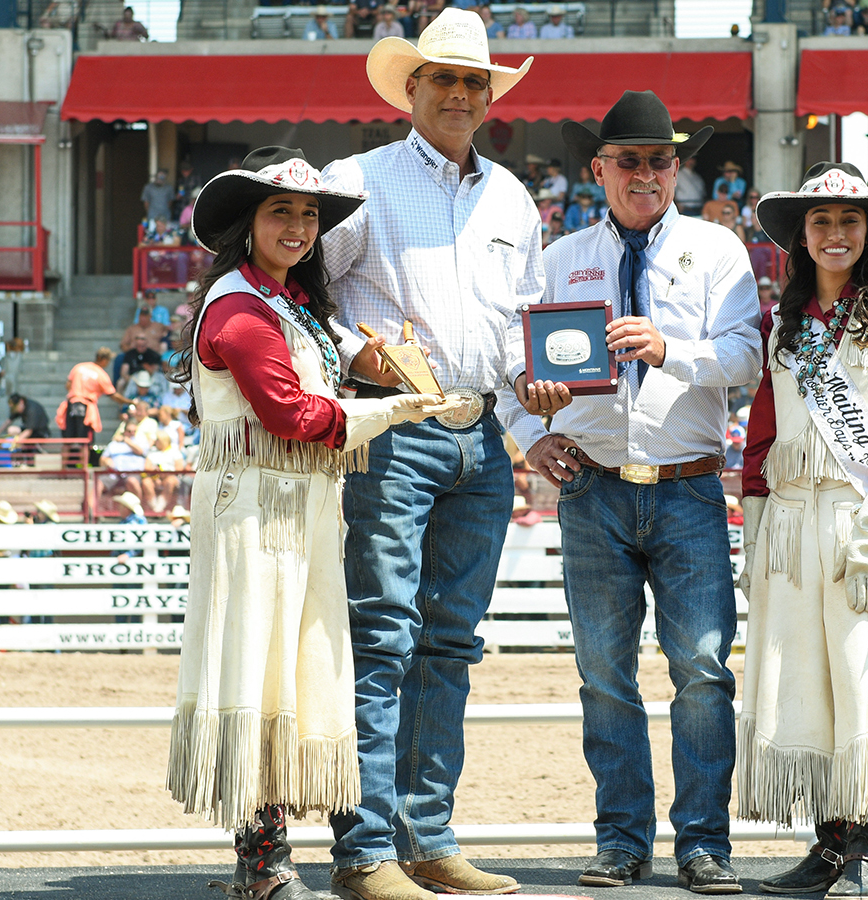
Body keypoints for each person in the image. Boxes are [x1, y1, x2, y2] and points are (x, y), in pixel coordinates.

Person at [165, 147, 448, 900]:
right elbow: (290, 415)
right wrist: (394, 408)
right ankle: (260, 862)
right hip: (258, 514)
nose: (298, 227)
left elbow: (334, 371)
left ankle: (266, 859)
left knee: (284, 669)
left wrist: (395, 372)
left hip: (294, 511)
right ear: (247, 224)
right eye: (280, 212)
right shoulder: (239, 307)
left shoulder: (287, 302)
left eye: (308, 214)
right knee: (262, 670)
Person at [317, 13, 541, 900]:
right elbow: (306, 292)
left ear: (489, 98)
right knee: (384, 636)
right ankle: (367, 850)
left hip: (480, 432)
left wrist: (541, 401)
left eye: (472, 82)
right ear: (410, 90)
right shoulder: (356, 180)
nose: (457, 93)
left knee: (447, 641)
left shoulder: (513, 200)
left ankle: (426, 837)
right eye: (442, 78)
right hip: (394, 425)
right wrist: (351, 353)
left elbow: (524, 330)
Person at [511, 91, 758, 894]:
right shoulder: (558, 260)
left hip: (687, 487)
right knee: (604, 674)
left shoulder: (719, 252)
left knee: (701, 668)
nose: (643, 174)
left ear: (677, 167)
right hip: (591, 485)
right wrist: (530, 431)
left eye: (657, 160)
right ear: (599, 168)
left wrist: (670, 348)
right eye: (628, 160)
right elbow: (515, 369)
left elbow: (747, 360)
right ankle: (622, 840)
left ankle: (701, 845)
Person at [737, 162, 868, 900]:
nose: (836, 233)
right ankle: (829, 843)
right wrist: (756, 534)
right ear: (800, 237)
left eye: (850, 220)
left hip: (858, 516)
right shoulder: (779, 324)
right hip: (788, 522)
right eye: (821, 222)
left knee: (862, 675)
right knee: (804, 683)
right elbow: (760, 436)